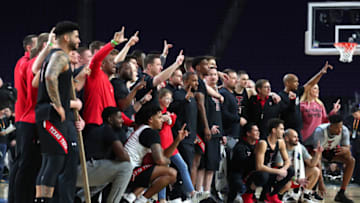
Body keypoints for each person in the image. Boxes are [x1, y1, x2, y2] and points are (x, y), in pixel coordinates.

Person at [34, 21, 82, 203]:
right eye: (76, 36)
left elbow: (37, 78)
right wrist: (59, 104)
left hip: (46, 114)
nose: (79, 40)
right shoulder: (60, 56)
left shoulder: (53, 56)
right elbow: (48, 77)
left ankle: (42, 200)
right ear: (66, 37)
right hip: (50, 115)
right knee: (54, 162)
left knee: (50, 161)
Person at [124, 104, 183, 203]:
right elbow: (160, 159)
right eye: (159, 117)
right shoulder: (150, 132)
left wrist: (177, 140)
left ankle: (132, 197)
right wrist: (167, 161)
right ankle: (140, 200)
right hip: (128, 171)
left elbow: (163, 155)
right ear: (151, 119)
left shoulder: (145, 129)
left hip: (130, 169)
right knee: (171, 173)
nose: (162, 120)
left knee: (159, 165)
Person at [76, 107, 132, 203]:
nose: (122, 120)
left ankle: (79, 198)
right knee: (126, 168)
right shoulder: (107, 130)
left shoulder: (98, 130)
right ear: (110, 119)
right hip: (83, 170)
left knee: (111, 172)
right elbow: (123, 156)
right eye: (119, 118)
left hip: (80, 171)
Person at [157, 88, 201, 202]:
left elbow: (172, 119)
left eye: (170, 98)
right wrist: (163, 118)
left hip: (171, 145)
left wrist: (169, 118)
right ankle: (161, 198)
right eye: (166, 98)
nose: (168, 101)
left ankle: (192, 193)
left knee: (183, 166)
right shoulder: (156, 111)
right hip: (162, 146)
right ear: (159, 98)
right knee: (164, 171)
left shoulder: (168, 112)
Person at [279, 61, 334, 142]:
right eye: (295, 82)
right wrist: (292, 100)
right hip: (288, 131)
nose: (297, 84)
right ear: (287, 83)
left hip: (298, 131)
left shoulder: (296, 92)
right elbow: (287, 112)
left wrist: (321, 73)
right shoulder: (280, 96)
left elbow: (310, 84)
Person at [243, 118, 294, 203]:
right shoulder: (263, 143)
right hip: (253, 173)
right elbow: (259, 167)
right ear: (274, 130)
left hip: (269, 170)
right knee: (264, 175)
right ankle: (248, 194)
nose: (283, 131)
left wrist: (283, 169)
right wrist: (278, 171)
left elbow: (287, 161)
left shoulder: (280, 142)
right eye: (281, 129)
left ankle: (272, 194)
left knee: (290, 171)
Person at [312, 114, 355, 203]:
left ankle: (341, 193)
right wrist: (321, 183)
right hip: (317, 152)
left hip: (332, 150)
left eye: (340, 127)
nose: (339, 130)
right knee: (316, 161)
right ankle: (313, 190)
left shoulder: (344, 130)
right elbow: (317, 156)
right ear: (330, 126)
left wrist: (346, 150)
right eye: (337, 128)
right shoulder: (320, 131)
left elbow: (348, 149)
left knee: (351, 160)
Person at [279, 129, 322, 203]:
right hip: (282, 177)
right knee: (288, 182)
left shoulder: (300, 147)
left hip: (295, 177)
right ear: (286, 138)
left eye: (297, 137)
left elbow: (311, 163)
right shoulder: (281, 147)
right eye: (294, 137)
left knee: (315, 170)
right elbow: (279, 169)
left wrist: (318, 154)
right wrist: (294, 179)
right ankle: (280, 196)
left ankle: (305, 195)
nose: (297, 139)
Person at [228, 123, 259, 203]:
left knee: (263, 176)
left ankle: (253, 196)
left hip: (251, 173)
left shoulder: (258, 146)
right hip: (238, 173)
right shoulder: (240, 146)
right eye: (255, 131)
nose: (258, 132)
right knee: (239, 185)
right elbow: (241, 164)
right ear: (248, 133)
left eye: (258, 130)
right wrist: (254, 155)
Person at [344, 103, 360, 184]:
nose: (355, 115)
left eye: (356, 113)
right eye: (354, 114)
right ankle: (355, 178)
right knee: (355, 161)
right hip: (354, 144)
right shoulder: (351, 119)